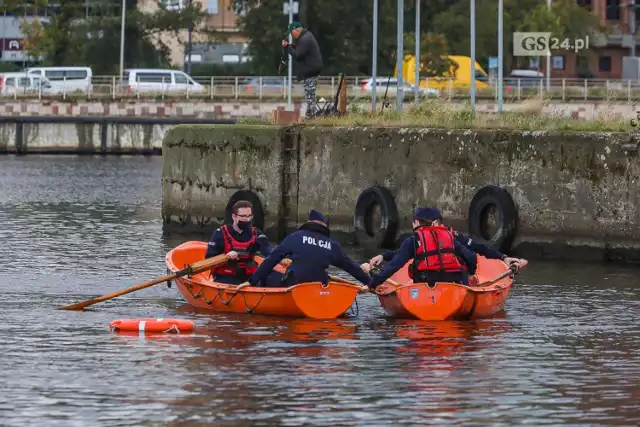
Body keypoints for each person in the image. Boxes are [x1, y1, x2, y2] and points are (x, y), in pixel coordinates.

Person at [367, 207, 526, 284]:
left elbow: (477, 249)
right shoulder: (449, 237)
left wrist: (503, 257)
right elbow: (472, 254)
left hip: (427, 282)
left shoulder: (420, 238)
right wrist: (384, 255)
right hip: (454, 282)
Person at [248, 209, 371, 287]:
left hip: (295, 286)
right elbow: (351, 266)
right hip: (319, 285)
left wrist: (252, 281)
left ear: (309, 223)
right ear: (324, 226)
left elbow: (272, 259)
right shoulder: (332, 245)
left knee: (267, 274)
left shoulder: (295, 237)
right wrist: (369, 283)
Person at [366, 207, 479, 290]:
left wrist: (371, 285)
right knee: (462, 269)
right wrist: (471, 273)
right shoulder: (448, 236)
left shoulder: (413, 240)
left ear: (416, 222)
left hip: (427, 286)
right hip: (453, 284)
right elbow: (471, 257)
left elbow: (394, 265)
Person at [205, 200, 277, 285]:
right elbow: (209, 258)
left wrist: (281, 258)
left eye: (249, 216)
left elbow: (267, 250)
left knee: (274, 277)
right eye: (243, 216)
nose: (247, 219)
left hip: (248, 276)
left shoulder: (256, 233)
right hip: (226, 277)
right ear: (234, 217)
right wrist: (226, 256)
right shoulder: (220, 233)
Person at [282, 21, 323, 119]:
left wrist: (288, 48)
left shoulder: (305, 39)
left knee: (310, 93)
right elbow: (299, 49)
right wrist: (289, 46)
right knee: (309, 92)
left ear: (296, 30)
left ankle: (312, 115)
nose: (292, 35)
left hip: (311, 70)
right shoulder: (306, 36)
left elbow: (298, 55)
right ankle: (310, 114)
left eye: (291, 33)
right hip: (312, 69)